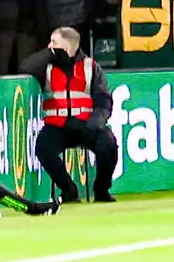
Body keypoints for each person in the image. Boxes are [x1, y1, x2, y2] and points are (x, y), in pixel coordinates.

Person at [31, 30, 120, 203]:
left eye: (54, 43)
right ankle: (68, 190)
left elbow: (104, 101)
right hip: (57, 126)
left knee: (108, 145)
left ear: (67, 46)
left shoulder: (91, 67)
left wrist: (94, 125)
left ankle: (101, 190)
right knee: (43, 148)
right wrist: (49, 53)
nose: (49, 46)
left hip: (87, 125)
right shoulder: (45, 66)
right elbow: (25, 67)